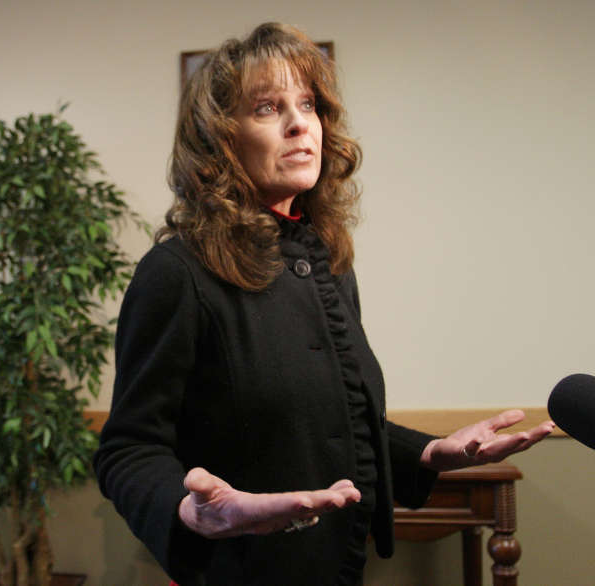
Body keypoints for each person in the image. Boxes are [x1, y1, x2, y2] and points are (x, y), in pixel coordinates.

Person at [93, 22, 554, 586]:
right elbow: (128, 449)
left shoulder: (327, 261)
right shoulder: (176, 273)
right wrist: (189, 512)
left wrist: (433, 452)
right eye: (267, 107)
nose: (298, 124)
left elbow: (330, 425)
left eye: (307, 104)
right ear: (219, 139)